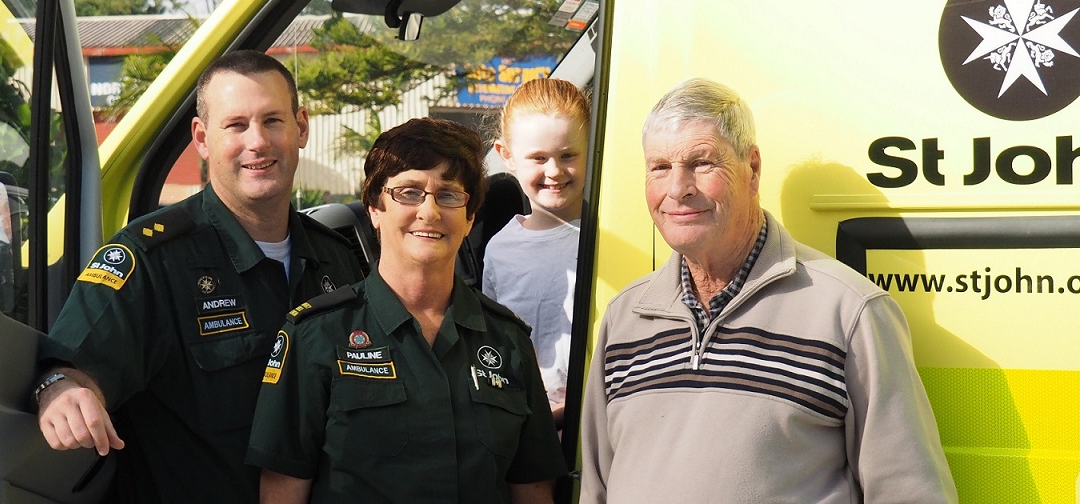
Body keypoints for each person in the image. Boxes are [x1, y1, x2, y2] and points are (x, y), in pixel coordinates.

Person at [579, 79, 957, 503]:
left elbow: (908, 491)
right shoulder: (625, 317)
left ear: (752, 169)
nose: (677, 188)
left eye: (701, 163)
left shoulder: (849, 311)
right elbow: (596, 487)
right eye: (660, 167)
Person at [33, 50, 364, 503]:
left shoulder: (338, 260)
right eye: (236, 125)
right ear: (202, 138)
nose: (258, 142)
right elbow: (72, 370)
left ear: (301, 127)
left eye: (273, 121)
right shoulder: (150, 259)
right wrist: (61, 390)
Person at [247, 117, 567, 504]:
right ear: (375, 210)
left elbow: (532, 492)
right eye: (409, 192)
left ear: (470, 218)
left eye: (449, 195)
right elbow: (282, 490)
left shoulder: (508, 342)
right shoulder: (315, 335)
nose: (429, 212)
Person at [482, 78, 589, 426]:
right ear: (506, 156)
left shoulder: (605, 237)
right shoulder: (499, 249)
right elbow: (494, 345)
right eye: (539, 158)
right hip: (522, 426)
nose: (554, 171)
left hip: (593, 422)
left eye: (568, 155)